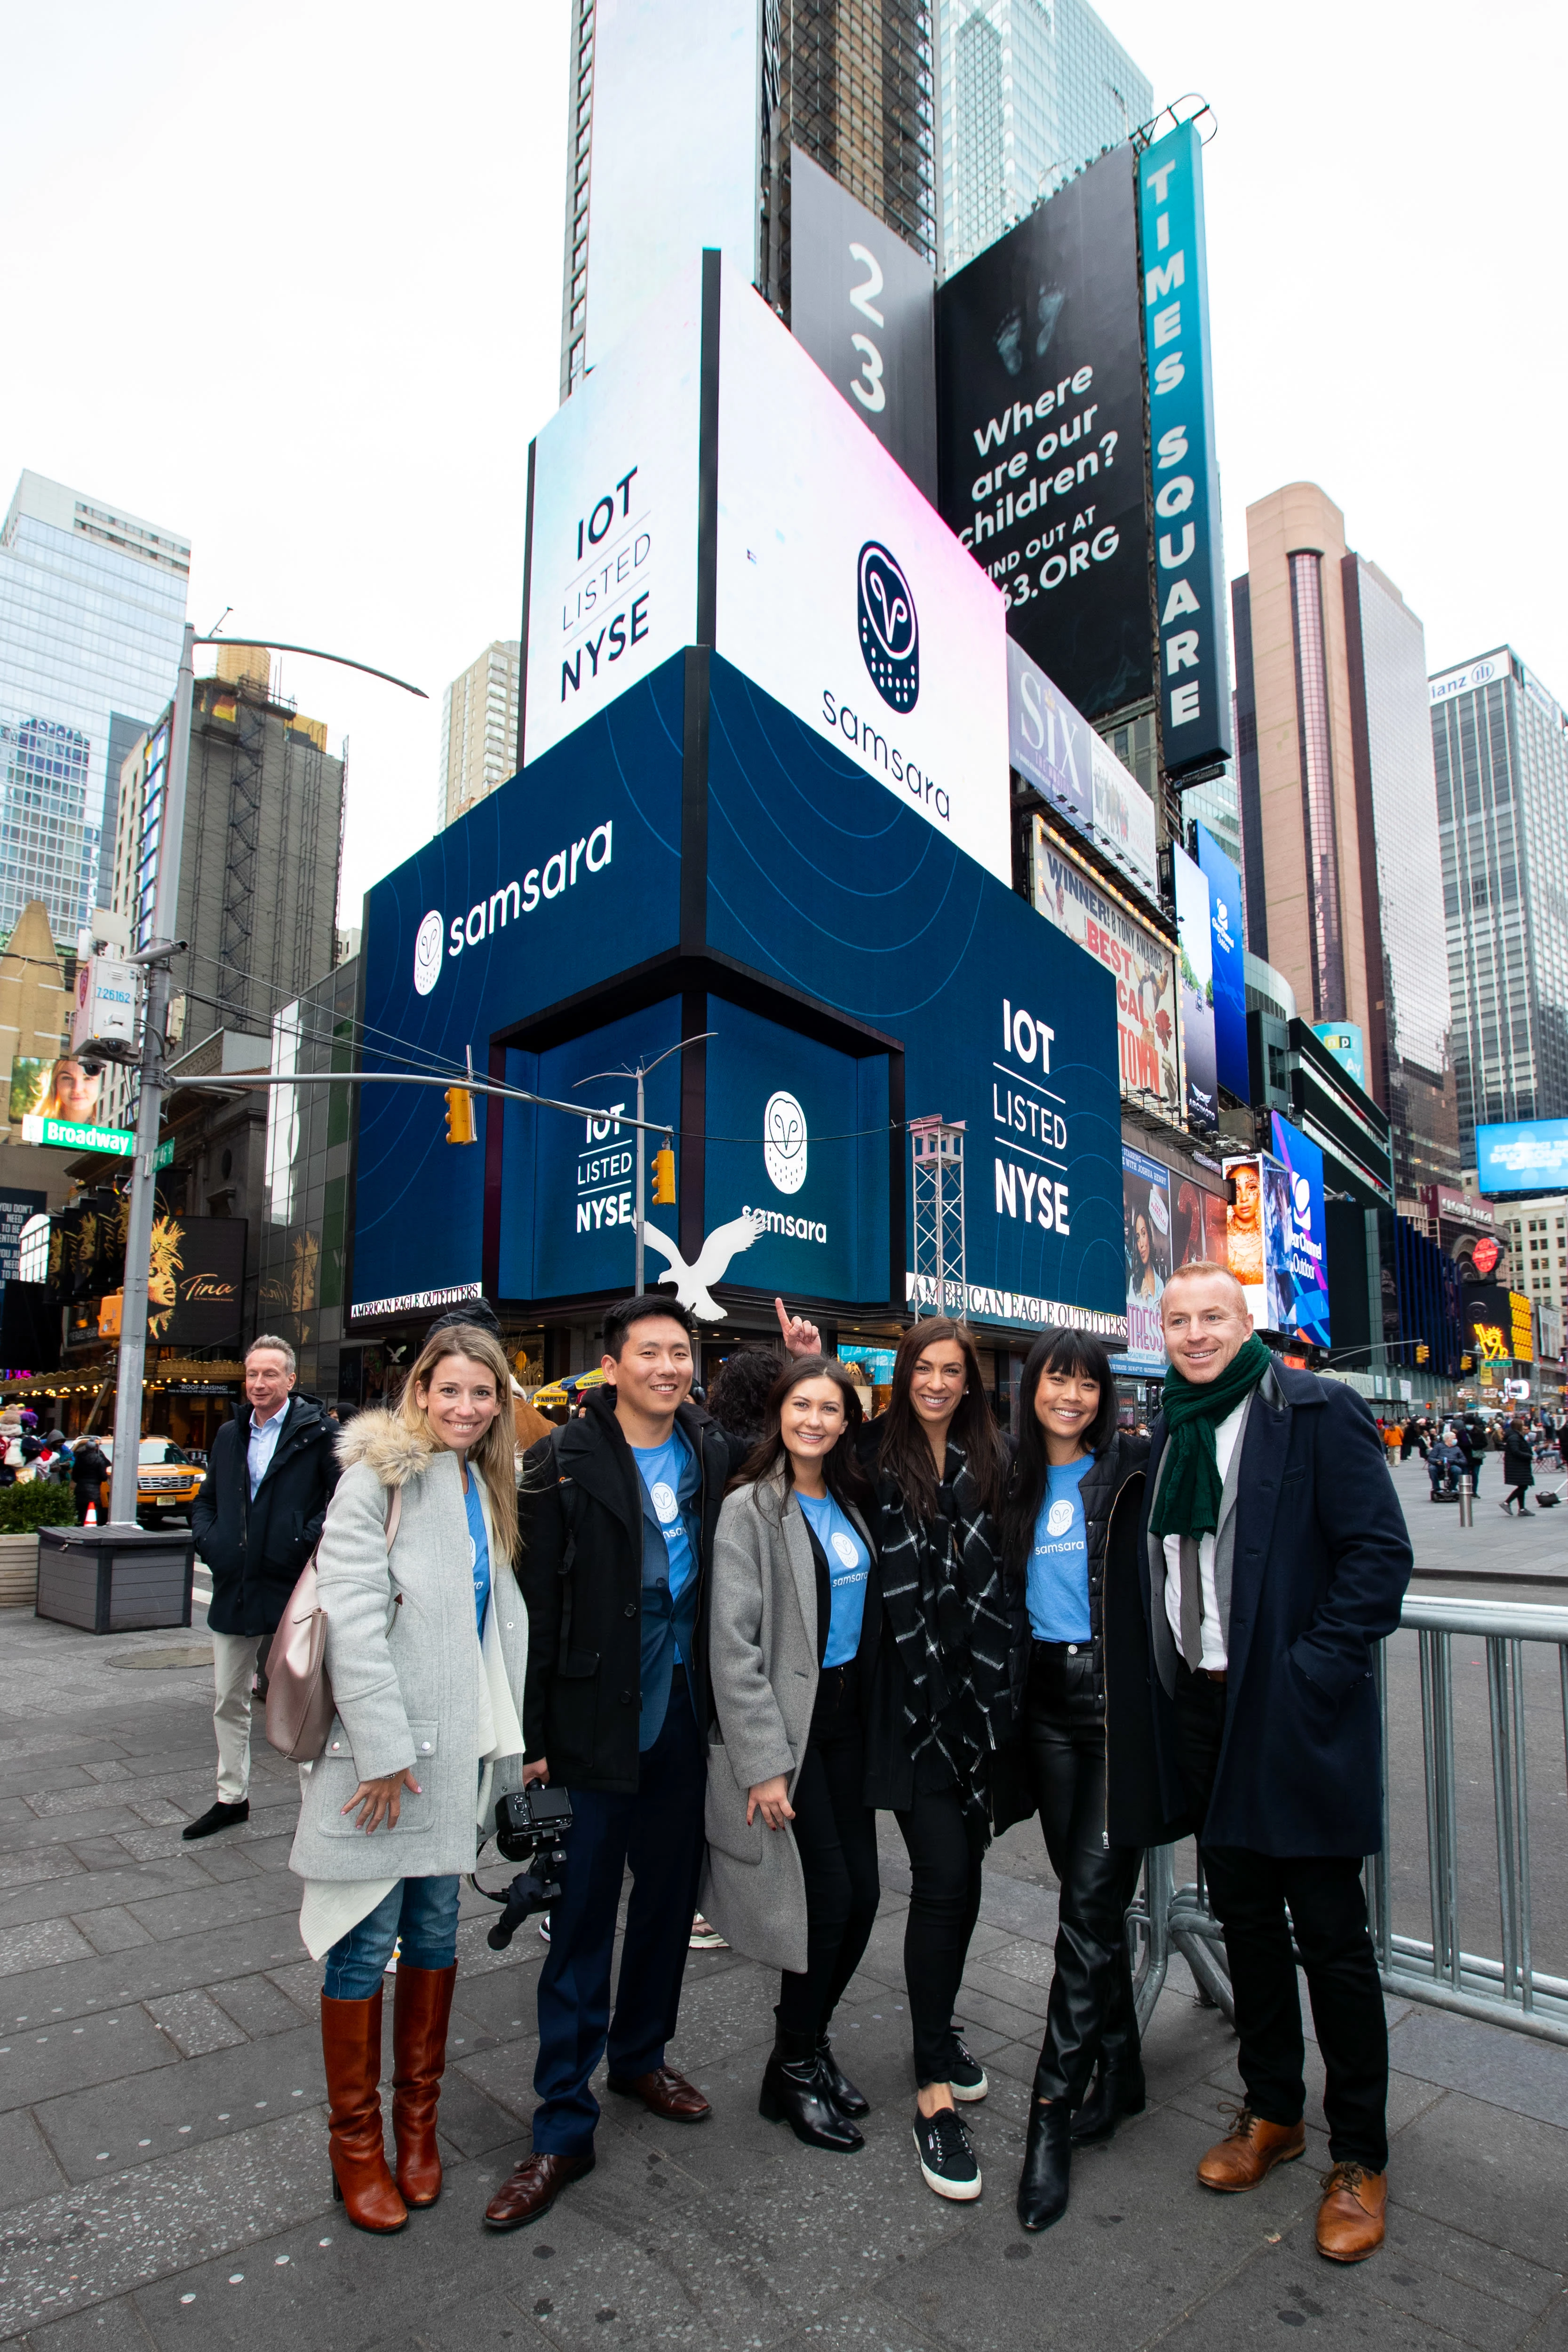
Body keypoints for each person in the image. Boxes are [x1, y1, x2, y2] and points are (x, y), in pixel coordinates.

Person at [488, 1294, 820, 2230]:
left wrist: (804, 1364)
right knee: (583, 1919)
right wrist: (535, 1741)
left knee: (670, 1907)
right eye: (652, 1355)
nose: (670, 1369)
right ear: (612, 1367)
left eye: (682, 1354)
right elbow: (535, 1614)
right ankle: (561, 2121)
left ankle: (640, 2056)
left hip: (683, 1722)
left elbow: (809, 1446)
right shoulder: (559, 1464)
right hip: (590, 1731)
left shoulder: (711, 1452)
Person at [1109, 1262, 1412, 2263]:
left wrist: (1308, 1674)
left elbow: (1377, 1557)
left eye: (1213, 1317)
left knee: (1330, 1933)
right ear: (1160, 1330)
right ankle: (1272, 2112)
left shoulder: (1316, 1408)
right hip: (1202, 1714)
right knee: (1244, 1921)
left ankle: (1358, 2154)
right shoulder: (1169, 1430)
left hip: (1291, 1712)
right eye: (1178, 1319)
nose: (1195, 1334)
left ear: (1250, 1322)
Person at [288, 1322, 527, 2233]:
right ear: (419, 1390)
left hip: (456, 1750)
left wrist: (510, 1745)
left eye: (482, 1392)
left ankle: (414, 2126)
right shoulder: (376, 1475)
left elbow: (486, 1629)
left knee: (432, 1935)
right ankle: (356, 2146)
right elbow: (350, 1611)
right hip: (385, 1760)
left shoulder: (481, 1480)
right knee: (362, 1942)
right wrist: (385, 1748)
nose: (464, 1407)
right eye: (450, 1389)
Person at [1000, 1329, 1180, 2231]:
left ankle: (1047, 2119)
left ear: (1105, 1395)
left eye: (1085, 1383)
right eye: (1054, 1380)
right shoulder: (1011, 1478)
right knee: (1090, 1903)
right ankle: (1126, 2071)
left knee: (1081, 1918)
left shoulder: (1134, 1469)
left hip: (1116, 1716)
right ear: (1030, 1390)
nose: (1068, 1396)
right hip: (1041, 1712)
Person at [860, 1318, 1027, 2204]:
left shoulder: (990, 1460)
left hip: (978, 1709)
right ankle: (930, 2084)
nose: (935, 1382)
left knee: (963, 1882)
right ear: (902, 1375)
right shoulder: (869, 1456)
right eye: (921, 1368)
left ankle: (941, 2029)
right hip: (908, 1705)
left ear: (969, 1381)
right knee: (943, 1879)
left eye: (949, 1370)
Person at [703, 1356, 881, 2151]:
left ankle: (801, 2052)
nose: (814, 1419)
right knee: (828, 1902)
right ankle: (797, 2063)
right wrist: (762, 1763)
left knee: (867, 1898)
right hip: (791, 1737)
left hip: (848, 1730)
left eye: (830, 1408)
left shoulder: (847, 1497)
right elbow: (732, 1648)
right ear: (779, 1413)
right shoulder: (751, 1509)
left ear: (848, 1422)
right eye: (801, 1405)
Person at [185, 1337, 340, 1840]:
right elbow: (206, 1499)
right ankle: (231, 1796)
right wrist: (212, 1542)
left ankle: (312, 1808)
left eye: (270, 1374)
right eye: (252, 1373)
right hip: (235, 1585)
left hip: (292, 1587)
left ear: (291, 1379)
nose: (258, 1383)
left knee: (300, 1701)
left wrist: (301, 1540)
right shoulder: (230, 1434)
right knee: (227, 1698)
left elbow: (340, 1504)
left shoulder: (320, 1434)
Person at [1500, 1415, 1535, 1516]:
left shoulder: (1515, 1436)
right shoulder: (1514, 1437)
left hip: (1519, 1465)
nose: (1524, 1427)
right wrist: (1529, 1456)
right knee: (1523, 1486)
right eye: (1523, 1425)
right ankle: (1507, 1502)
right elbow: (1516, 1451)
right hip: (1518, 1465)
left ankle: (1522, 1509)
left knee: (1523, 1485)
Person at [70, 1431, 109, 1523]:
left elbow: (75, 1475)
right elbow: (103, 1477)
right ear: (95, 1448)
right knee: (94, 1514)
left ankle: (80, 1526)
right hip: (95, 1491)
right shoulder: (99, 1460)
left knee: (81, 1513)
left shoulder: (80, 1459)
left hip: (81, 1489)